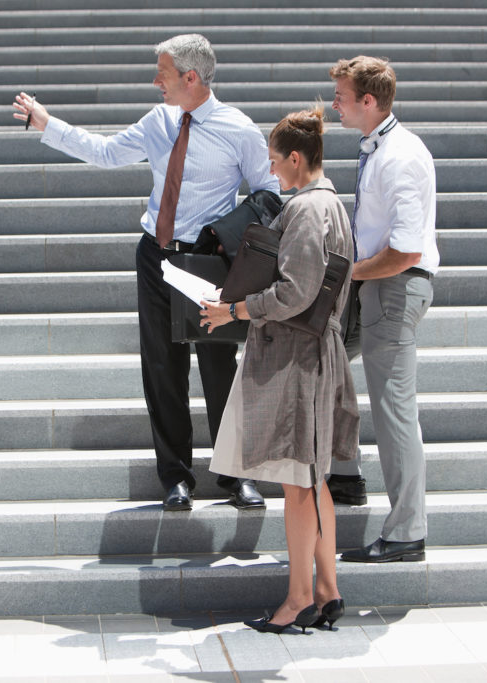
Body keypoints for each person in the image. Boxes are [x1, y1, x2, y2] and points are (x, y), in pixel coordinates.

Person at [12, 34, 279, 511]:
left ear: (190, 78)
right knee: (162, 367)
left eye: (162, 72)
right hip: (157, 257)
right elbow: (107, 151)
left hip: (208, 261)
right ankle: (176, 477)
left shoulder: (238, 129)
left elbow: (269, 192)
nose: (156, 80)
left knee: (220, 368)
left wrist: (223, 233)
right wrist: (48, 125)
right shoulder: (160, 121)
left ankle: (237, 475)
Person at [201, 104, 359, 633]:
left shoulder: (309, 208)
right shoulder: (329, 203)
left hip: (299, 359)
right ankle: (326, 589)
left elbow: (296, 292)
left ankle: (297, 601)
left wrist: (236, 310)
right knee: (314, 483)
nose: (270, 171)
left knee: (297, 486)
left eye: (274, 161)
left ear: (296, 158)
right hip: (312, 354)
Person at [327, 56, 439, 563]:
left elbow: (407, 250)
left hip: (393, 287)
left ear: (368, 101)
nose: (335, 104)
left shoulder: (399, 156)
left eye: (342, 97)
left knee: (394, 411)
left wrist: (347, 273)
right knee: (327, 364)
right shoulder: (379, 147)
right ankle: (345, 475)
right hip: (374, 286)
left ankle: (406, 532)